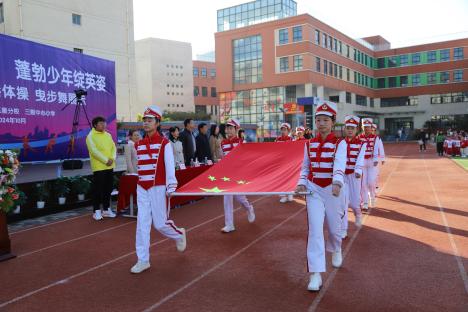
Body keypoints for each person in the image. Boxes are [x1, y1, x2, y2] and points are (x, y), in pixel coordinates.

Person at [295, 101, 346, 291]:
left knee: (334, 229)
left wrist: (337, 182)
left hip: (333, 189)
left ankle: (337, 247)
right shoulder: (309, 143)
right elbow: (305, 168)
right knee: (315, 230)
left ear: (333, 122)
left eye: (325, 120)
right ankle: (315, 274)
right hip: (314, 189)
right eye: (318, 120)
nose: (322, 123)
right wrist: (301, 182)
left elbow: (339, 165)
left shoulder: (339, 143)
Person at [130, 105, 186, 274]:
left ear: (157, 122)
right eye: (144, 120)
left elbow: (170, 166)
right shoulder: (138, 144)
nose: (146, 123)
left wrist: (171, 185)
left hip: (159, 187)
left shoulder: (165, 143)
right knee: (142, 224)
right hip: (142, 187)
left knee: (160, 224)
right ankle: (143, 259)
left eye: (150, 120)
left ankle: (179, 234)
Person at [220, 118, 255, 233]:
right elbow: (222, 158)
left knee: (240, 198)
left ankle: (249, 208)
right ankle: (229, 225)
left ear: (236, 129)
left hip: (239, 175)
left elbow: (246, 158)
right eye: (227, 128)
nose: (229, 130)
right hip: (227, 176)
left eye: (231, 128)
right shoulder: (223, 142)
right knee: (227, 199)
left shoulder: (241, 142)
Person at [86, 116, 117, 221]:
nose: (104, 125)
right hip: (99, 167)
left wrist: (112, 158)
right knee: (98, 190)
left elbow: (113, 147)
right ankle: (96, 211)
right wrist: (105, 160)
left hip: (110, 165)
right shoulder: (90, 136)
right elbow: (94, 151)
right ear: (95, 125)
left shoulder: (108, 135)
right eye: (101, 123)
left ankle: (106, 209)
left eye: (104, 123)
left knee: (108, 189)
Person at [341, 115, 366, 239]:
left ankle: (358, 214)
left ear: (356, 130)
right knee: (343, 203)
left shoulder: (362, 144)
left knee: (355, 202)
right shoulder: (340, 143)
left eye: (352, 128)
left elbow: (360, 159)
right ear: (345, 129)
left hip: (354, 176)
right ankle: (343, 229)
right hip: (342, 176)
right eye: (348, 127)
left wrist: (357, 170)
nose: (350, 130)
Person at [358, 118, 379, 211]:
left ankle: (372, 197)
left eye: (368, 127)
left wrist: (375, 159)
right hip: (362, 162)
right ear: (362, 127)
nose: (366, 128)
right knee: (363, 184)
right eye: (365, 127)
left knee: (371, 182)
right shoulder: (359, 137)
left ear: (371, 127)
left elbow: (375, 148)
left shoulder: (375, 138)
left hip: (371, 162)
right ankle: (365, 202)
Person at [276, 122, 294, 203]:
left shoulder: (291, 139)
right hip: (280, 162)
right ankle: (283, 195)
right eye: (282, 129)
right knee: (281, 179)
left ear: (288, 131)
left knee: (289, 177)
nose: (283, 131)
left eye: (285, 130)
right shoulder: (277, 139)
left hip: (288, 162)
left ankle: (290, 192)